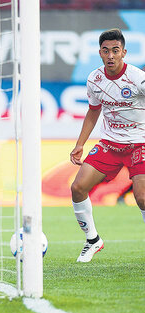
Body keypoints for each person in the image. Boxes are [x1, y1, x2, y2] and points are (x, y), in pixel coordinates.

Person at [70, 28, 145, 262]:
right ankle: (92, 240)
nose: (110, 55)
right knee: (78, 188)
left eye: (115, 50)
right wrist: (80, 144)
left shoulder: (137, 78)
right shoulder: (95, 79)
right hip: (110, 144)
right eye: (106, 51)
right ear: (100, 53)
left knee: (141, 197)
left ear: (124, 52)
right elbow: (93, 111)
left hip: (139, 144)